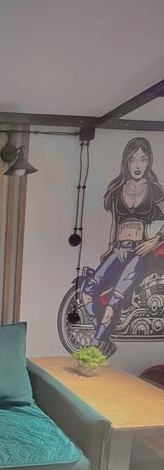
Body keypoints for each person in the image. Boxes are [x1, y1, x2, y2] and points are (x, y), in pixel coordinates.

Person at [82, 137, 164, 349]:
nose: (138, 165)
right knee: (87, 291)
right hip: (118, 249)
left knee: (116, 298)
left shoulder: (154, 190)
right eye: (133, 159)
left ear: (149, 161)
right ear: (126, 161)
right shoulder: (118, 189)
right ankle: (103, 338)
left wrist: (155, 240)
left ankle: (96, 343)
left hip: (139, 251)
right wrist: (111, 246)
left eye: (143, 159)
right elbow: (115, 221)